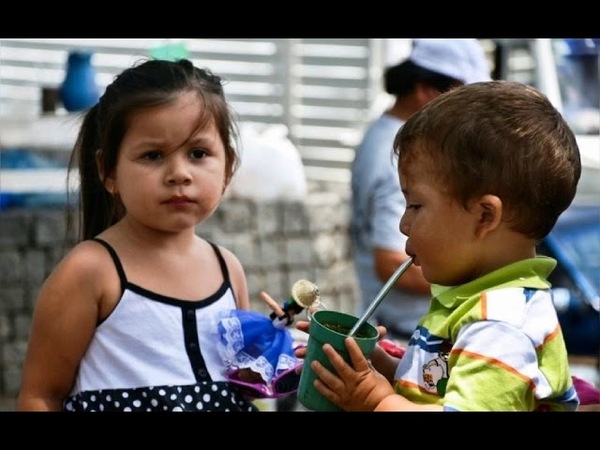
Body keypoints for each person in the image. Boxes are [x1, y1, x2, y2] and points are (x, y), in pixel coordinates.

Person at [302, 80, 582, 411]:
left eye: (416, 206)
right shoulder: (471, 302)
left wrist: (373, 398)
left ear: (483, 216)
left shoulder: (501, 324)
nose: (404, 224)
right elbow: (434, 387)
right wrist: (374, 365)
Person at [17, 58, 270, 412]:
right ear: (108, 172)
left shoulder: (228, 269)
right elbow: (40, 397)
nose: (179, 173)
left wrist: (274, 349)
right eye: (153, 155)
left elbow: (242, 387)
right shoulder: (90, 271)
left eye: (198, 153)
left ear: (227, 166)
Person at [351, 39, 491, 339]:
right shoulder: (403, 156)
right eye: (460, 97)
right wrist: (479, 284)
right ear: (426, 89)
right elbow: (390, 261)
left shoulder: (383, 134)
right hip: (408, 330)